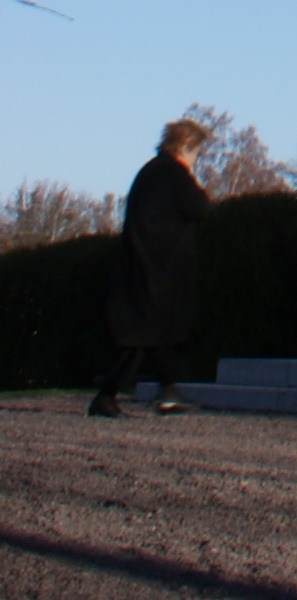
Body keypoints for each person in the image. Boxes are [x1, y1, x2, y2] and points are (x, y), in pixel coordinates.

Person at [89, 118, 213, 418]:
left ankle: (168, 392)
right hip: (159, 270)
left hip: (142, 266)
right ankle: (107, 397)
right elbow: (199, 208)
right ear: (185, 147)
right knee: (142, 337)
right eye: (195, 152)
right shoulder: (173, 174)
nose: (195, 159)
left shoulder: (150, 172)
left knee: (160, 334)